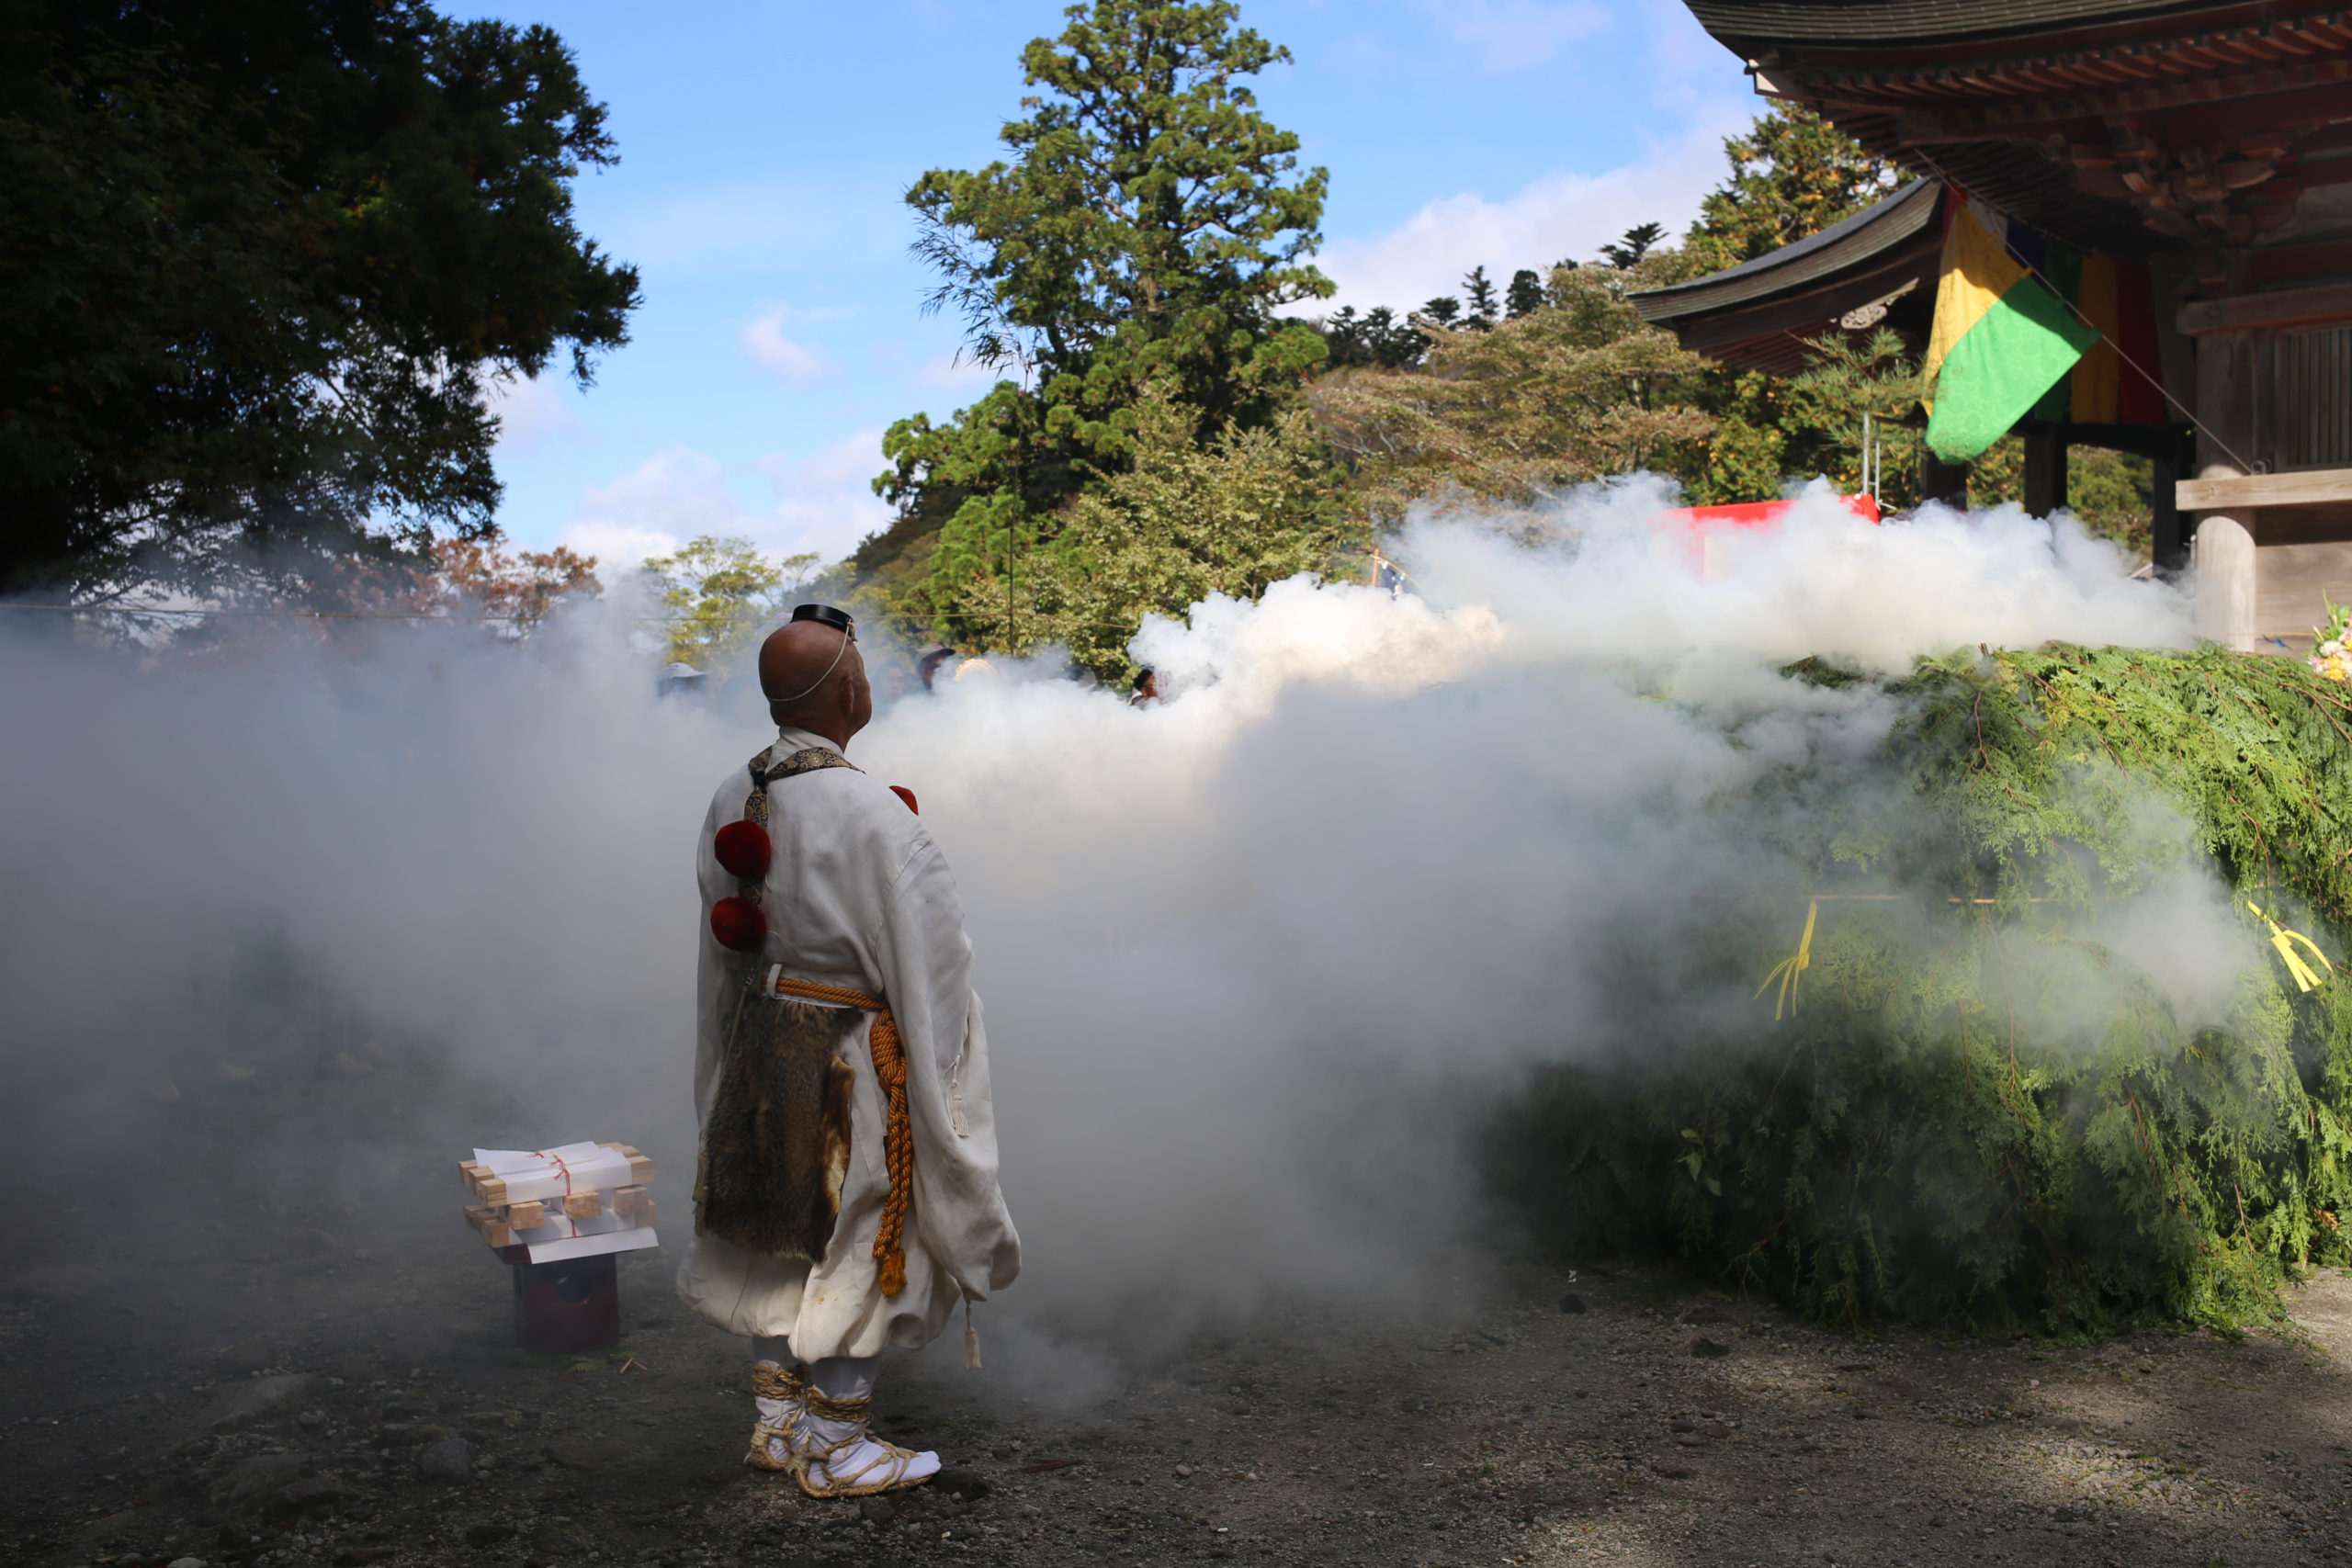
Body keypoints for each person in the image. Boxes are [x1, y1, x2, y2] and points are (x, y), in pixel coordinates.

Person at [682, 603, 1020, 1498]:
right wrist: (941, 1090)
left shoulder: (730, 795)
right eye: (862, 672)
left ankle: (776, 1421)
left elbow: (723, 950)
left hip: (760, 1043)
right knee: (864, 1231)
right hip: (848, 1061)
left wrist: (721, 1062)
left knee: (771, 1225)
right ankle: (837, 1445)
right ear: (850, 693)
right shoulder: (874, 815)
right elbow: (934, 969)